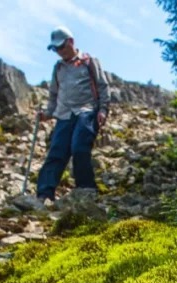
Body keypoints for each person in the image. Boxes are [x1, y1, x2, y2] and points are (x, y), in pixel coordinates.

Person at [35, 26, 111, 204]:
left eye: (61, 47)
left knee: (79, 148)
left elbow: (102, 86)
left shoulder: (88, 61)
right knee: (57, 152)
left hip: (86, 111)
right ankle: (44, 194)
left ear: (71, 42)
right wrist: (47, 114)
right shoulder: (58, 68)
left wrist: (103, 110)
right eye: (55, 49)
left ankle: (86, 189)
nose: (59, 52)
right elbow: (54, 94)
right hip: (64, 114)